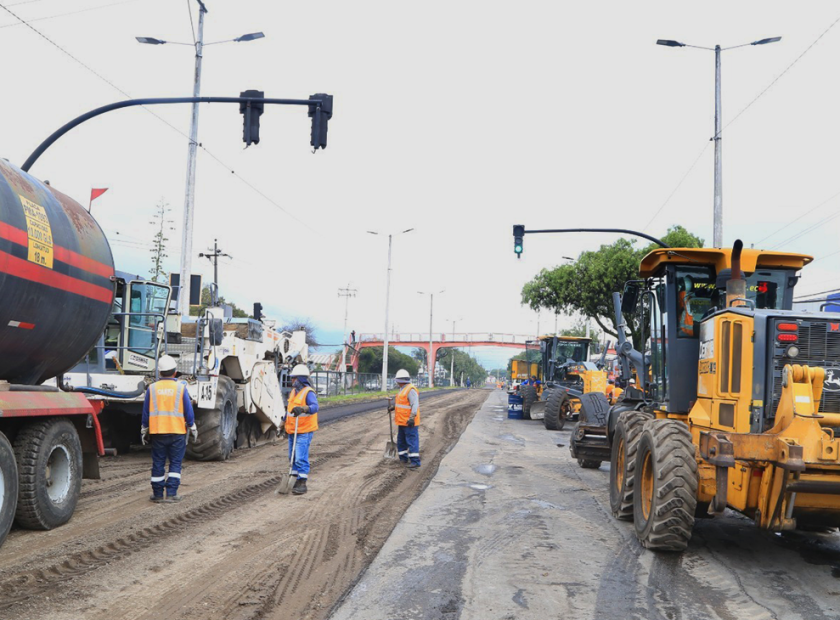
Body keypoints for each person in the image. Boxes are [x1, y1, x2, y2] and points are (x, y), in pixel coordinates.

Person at [141, 355, 197, 503]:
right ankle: (171, 493)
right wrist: (192, 426)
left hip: (158, 432)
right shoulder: (180, 388)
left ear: (159, 372)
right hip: (177, 432)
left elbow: (146, 412)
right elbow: (188, 411)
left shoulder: (152, 389)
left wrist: (144, 428)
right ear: (175, 372)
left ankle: (158, 494)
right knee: (175, 463)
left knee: (158, 463)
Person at [285, 364, 319, 495]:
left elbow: (315, 407)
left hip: (304, 430)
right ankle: (293, 479)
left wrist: (304, 409)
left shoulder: (308, 392)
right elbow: (289, 410)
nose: (292, 380)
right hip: (292, 430)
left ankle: (302, 482)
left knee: (300, 457)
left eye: (294, 378)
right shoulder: (294, 392)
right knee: (292, 456)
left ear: (300, 379)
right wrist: (283, 422)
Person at [389, 369, 420, 468]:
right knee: (401, 441)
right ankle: (403, 458)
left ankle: (415, 461)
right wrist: (393, 407)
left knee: (411, 441)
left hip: (409, 422)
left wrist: (411, 418)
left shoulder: (410, 390)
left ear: (399, 380)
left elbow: (415, 405)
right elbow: (402, 404)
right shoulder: (402, 389)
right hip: (402, 421)